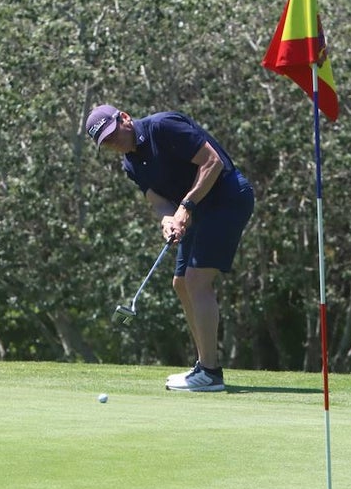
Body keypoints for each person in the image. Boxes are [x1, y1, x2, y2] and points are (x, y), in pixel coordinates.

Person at [86, 105, 255, 392]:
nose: (114, 144)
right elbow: (157, 199)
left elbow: (211, 162)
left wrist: (186, 206)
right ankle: (204, 366)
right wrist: (168, 219)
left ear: (124, 118)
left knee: (196, 280)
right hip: (197, 210)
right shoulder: (130, 163)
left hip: (226, 198)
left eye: (113, 134)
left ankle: (211, 373)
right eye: (107, 142)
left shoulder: (162, 127)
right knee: (180, 283)